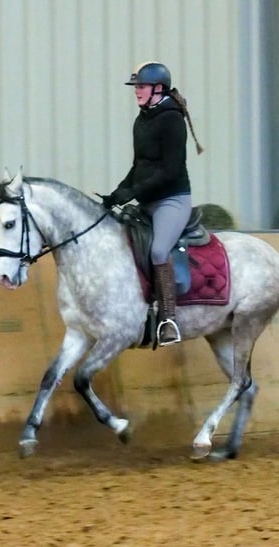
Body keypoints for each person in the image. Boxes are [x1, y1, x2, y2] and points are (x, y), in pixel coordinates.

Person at [101, 61, 204, 346]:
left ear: (158, 89)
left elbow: (170, 171)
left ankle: (168, 319)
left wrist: (133, 192)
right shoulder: (142, 119)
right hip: (147, 199)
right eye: (136, 87)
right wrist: (118, 192)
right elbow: (139, 165)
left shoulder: (172, 120)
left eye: (141, 87)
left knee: (159, 250)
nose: (137, 92)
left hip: (171, 200)